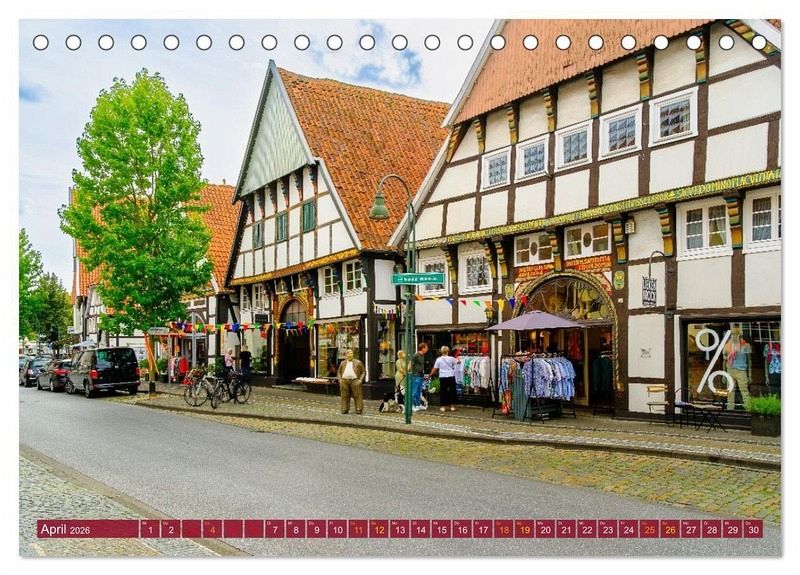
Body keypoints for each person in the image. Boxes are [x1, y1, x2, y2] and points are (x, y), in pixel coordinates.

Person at [725, 332, 751, 411]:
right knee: (730, 391)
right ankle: (730, 410)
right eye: (733, 334)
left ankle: (749, 409)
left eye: (737, 334)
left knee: (744, 390)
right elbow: (724, 360)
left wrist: (750, 375)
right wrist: (724, 374)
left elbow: (749, 360)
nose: (735, 336)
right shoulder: (727, 345)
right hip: (730, 370)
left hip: (741, 370)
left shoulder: (746, 345)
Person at [337, 349, 365, 414]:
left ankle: (359, 408)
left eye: (351, 353)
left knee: (357, 395)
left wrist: (360, 380)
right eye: (348, 354)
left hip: (355, 380)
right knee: (344, 395)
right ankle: (345, 408)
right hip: (344, 381)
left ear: (353, 354)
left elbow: (363, 371)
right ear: (346, 355)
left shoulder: (358, 362)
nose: (349, 355)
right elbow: (339, 372)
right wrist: (340, 380)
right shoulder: (342, 363)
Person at [430, 346, 458, 412]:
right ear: (448, 351)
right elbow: (458, 362)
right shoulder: (451, 358)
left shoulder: (439, 359)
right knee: (452, 391)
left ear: (441, 352)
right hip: (451, 376)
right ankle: (452, 406)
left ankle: (443, 407)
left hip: (443, 376)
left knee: (443, 391)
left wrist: (430, 374)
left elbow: (435, 368)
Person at [411, 342, 429, 411]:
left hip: (421, 375)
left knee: (419, 391)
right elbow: (410, 363)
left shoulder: (422, 355)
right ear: (422, 348)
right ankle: (413, 405)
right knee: (414, 391)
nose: (427, 349)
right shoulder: (416, 355)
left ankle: (418, 405)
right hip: (415, 375)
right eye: (426, 348)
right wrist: (408, 373)